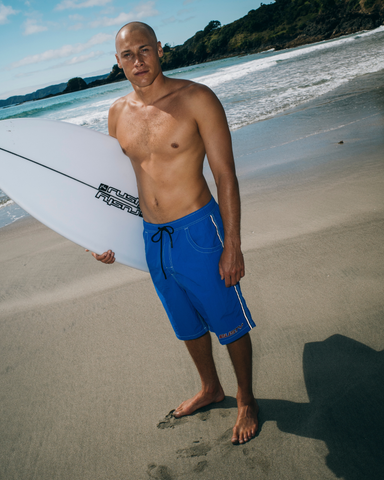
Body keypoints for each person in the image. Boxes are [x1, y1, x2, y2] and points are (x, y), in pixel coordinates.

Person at [92, 21, 259, 445]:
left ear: (160, 50)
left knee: (228, 320)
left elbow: (225, 175)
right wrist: (103, 237)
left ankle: (245, 397)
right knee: (184, 321)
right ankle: (210, 387)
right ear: (118, 63)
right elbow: (115, 186)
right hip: (153, 238)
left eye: (144, 50)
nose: (137, 61)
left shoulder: (196, 99)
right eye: (127, 56)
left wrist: (233, 243)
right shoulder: (116, 114)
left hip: (199, 229)